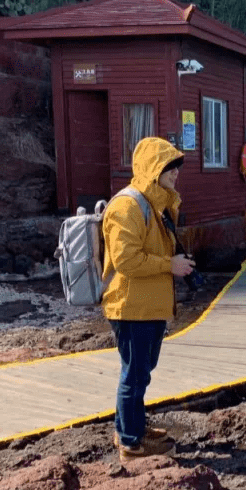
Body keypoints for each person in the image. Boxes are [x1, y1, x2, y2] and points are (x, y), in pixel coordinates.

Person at [102, 136, 194, 461]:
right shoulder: (128, 205)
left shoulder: (156, 205)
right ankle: (130, 441)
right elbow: (125, 259)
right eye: (170, 167)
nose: (176, 173)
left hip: (148, 305)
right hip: (131, 307)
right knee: (135, 373)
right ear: (153, 169)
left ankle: (131, 427)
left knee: (140, 370)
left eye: (177, 167)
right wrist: (169, 265)